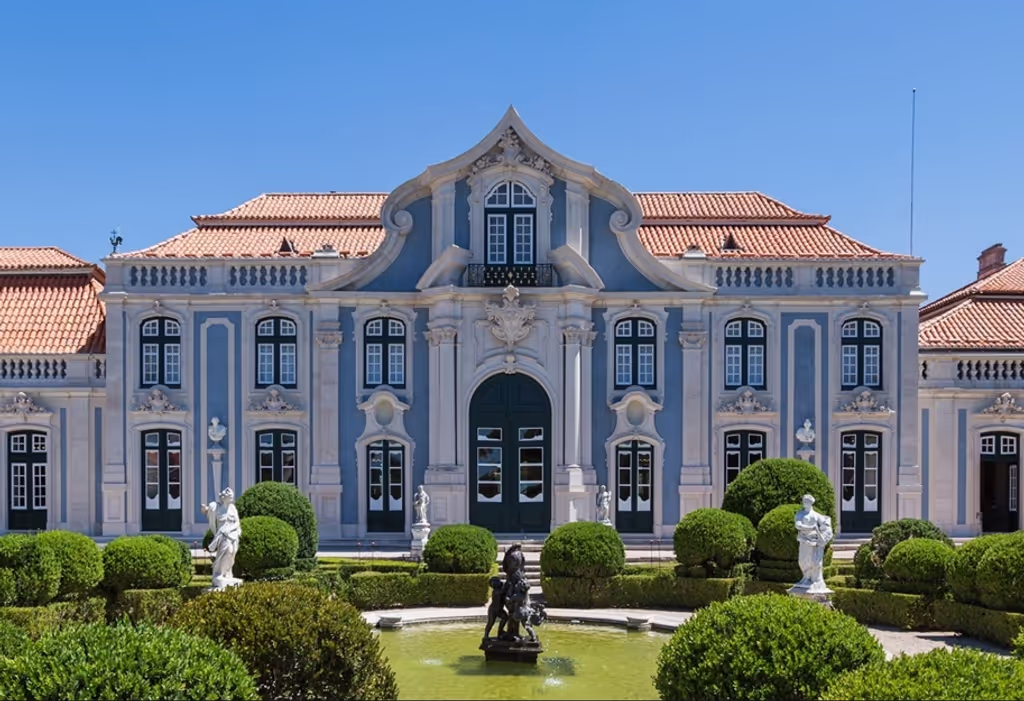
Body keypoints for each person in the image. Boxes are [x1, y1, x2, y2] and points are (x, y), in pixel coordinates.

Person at [203, 487, 243, 590]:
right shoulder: (217, 508)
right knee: (226, 552)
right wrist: (205, 510)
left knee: (233, 553)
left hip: (233, 534)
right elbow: (209, 513)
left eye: (231, 497)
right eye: (229, 497)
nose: (231, 499)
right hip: (223, 536)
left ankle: (227, 573)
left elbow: (237, 522)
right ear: (224, 498)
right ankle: (218, 574)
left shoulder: (233, 508)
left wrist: (231, 529)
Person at [793, 494, 833, 591]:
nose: (805, 503)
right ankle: (805, 577)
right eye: (804, 501)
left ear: (811, 503)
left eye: (807, 501)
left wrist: (822, 535)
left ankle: (811, 579)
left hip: (813, 543)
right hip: (803, 540)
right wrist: (811, 528)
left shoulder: (816, 516)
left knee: (812, 561)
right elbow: (798, 525)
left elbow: (826, 526)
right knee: (802, 561)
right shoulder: (799, 514)